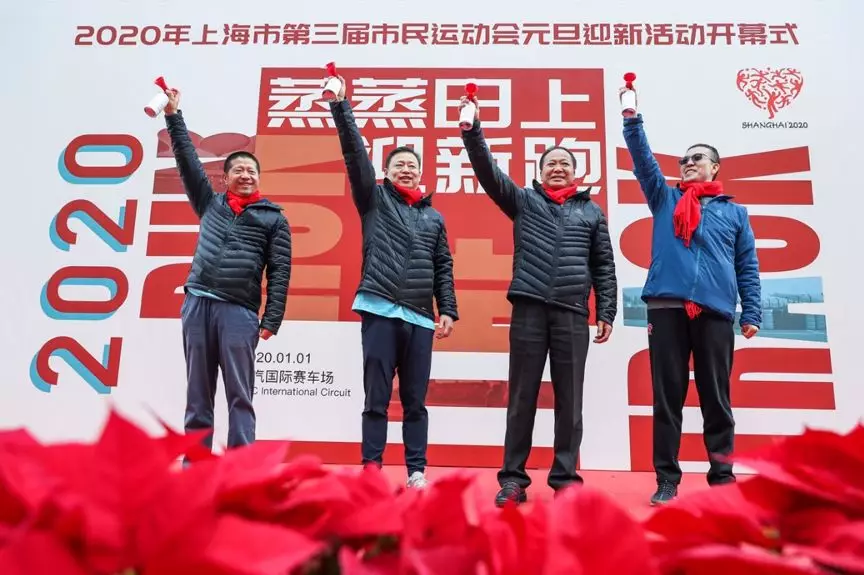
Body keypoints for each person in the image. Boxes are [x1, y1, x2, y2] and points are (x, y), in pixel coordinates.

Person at [459, 96, 618, 507]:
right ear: (540, 172)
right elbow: (488, 173)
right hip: (529, 309)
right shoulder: (524, 202)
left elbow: (603, 264)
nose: (558, 167)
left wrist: (606, 310)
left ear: (576, 173)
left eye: (565, 163)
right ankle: (513, 480)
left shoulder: (592, 213)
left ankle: (565, 481)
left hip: (572, 314)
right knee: (522, 399)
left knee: (570, 402)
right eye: (551, 163)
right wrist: (474, 132)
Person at [619, 85, 762, 505]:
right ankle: (667, 480)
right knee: (668, 398)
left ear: (715, 167)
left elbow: (747, 265)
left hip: (715, 312)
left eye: (697, 158)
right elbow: (643, 161)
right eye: (683, 160)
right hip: (666, 309)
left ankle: (722, 478)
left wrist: (752, 311)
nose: (688, 163)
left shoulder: (735, 213)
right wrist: (632, 121)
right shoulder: (665, 198)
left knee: (717, 398)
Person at [327, 74, 458, 489]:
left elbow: (443, 265)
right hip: (380, 309)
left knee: (416, 402)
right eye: (398, 164)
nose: (406, 169)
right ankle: (372, 469)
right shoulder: (374, 199)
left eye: (412, 166)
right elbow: (354, 154)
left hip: (419, 318)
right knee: (376, 398)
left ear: (420, 175)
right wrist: (341, 106)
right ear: (385, 172)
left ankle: (417, 470)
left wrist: (448, 309)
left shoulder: (433, 217)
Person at [163, 87, 292, 455]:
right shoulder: (209, 204)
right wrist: (173, 116)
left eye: (252, 171)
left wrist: (272, 318)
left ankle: (241, 468)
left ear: (259, 178)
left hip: (239, 311)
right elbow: (187, 160)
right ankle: (196, 466)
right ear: (225, 177)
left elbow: (280, 270)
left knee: (240, 394)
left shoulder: (273, 219)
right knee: (198, 394)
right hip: (197, 305)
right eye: (239, 170)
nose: (246, 175)